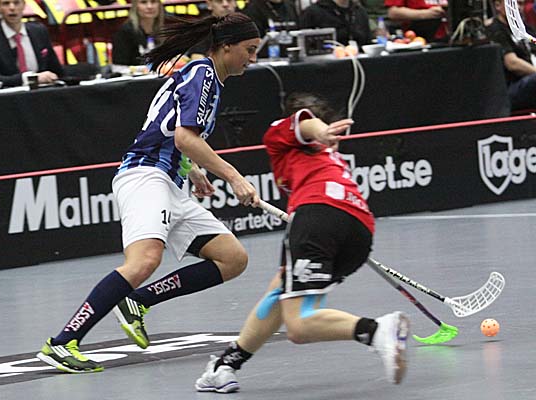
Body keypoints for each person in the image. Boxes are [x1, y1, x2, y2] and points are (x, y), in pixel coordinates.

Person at [36, 12, 262, 373]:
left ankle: (137, 302)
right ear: (225, 46)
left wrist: (193, 169)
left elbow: (169, 129)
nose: (253, 58)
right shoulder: (203, 73)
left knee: (232, 259)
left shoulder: (209, 79)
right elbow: (184, 136)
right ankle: (62, 343)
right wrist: (234, 177)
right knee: (144, 261)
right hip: (146, 176)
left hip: (171, 181)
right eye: (249, 50)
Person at [195, 92, 410, 393]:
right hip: (359, 229)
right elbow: (306, 125)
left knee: (299, 325)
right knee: (280, 294)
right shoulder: (323, 155)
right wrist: (322, 134)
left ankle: (375, 331)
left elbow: (304, 122)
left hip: (318, 216)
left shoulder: (282, 132)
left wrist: (320, 131)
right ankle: (225, 366)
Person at [0, 0, 63, 87]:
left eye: (16, 3)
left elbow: (56, 70)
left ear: (23, 5)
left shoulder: (39, 31)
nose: (12, 8)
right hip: (8, 93)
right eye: (6, 3)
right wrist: (30, 79)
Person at [487, 0, 536, 111]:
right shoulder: (495, 29)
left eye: (521, 4)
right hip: (511, 87)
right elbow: (512, 63)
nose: (518, 7)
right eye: (514, 3)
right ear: (498, 5)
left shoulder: (526, 29)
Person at [112, 0, 165, 66]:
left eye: (153, 2)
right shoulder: (125, 32)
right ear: (135, 6)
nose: (150, 6)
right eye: (143, 2)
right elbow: (118, 66)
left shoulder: (164, 29)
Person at [300, 0, 372, 46]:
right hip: (326, 63)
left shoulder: (359, 11)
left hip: (360, 60)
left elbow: (368, 42)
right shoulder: (313, 12)